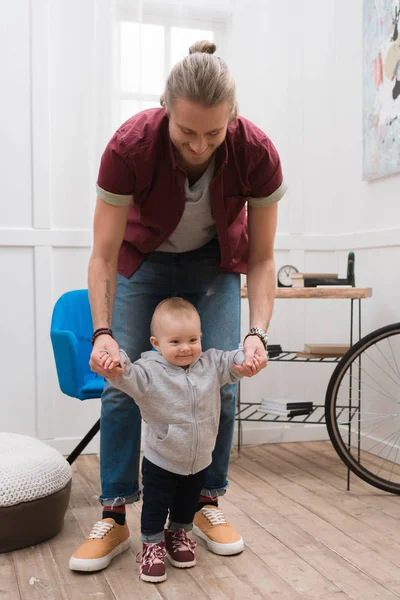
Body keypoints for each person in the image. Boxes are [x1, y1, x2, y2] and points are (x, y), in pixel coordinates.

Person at [69, 39, 286, 573]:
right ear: (165, 107)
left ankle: (205, 503)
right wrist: (102, 333)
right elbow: (102, 253)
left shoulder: (256, 152)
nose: (199, 145)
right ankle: (117, 513)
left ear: (232, 118)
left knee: (224, 382)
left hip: (213, 262)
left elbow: (261, 259)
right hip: (141, 257)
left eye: (213, 133)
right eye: (186, 131)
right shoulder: (129, 147)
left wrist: (256, 332)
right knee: (123, 383)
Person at [96, 297, 255, 582]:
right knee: (156, 506)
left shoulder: (210, 363)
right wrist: (115, 363)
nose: (186, 348)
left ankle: (177, 534)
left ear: (201, 337)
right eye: (175, 342)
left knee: (186, 505)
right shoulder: (148, 373)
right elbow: (126, 376)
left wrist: (245, 360)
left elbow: (230, 361)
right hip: (162, 459)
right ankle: (152, 545)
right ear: (156, 343)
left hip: (199, 458)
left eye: (193, 339)